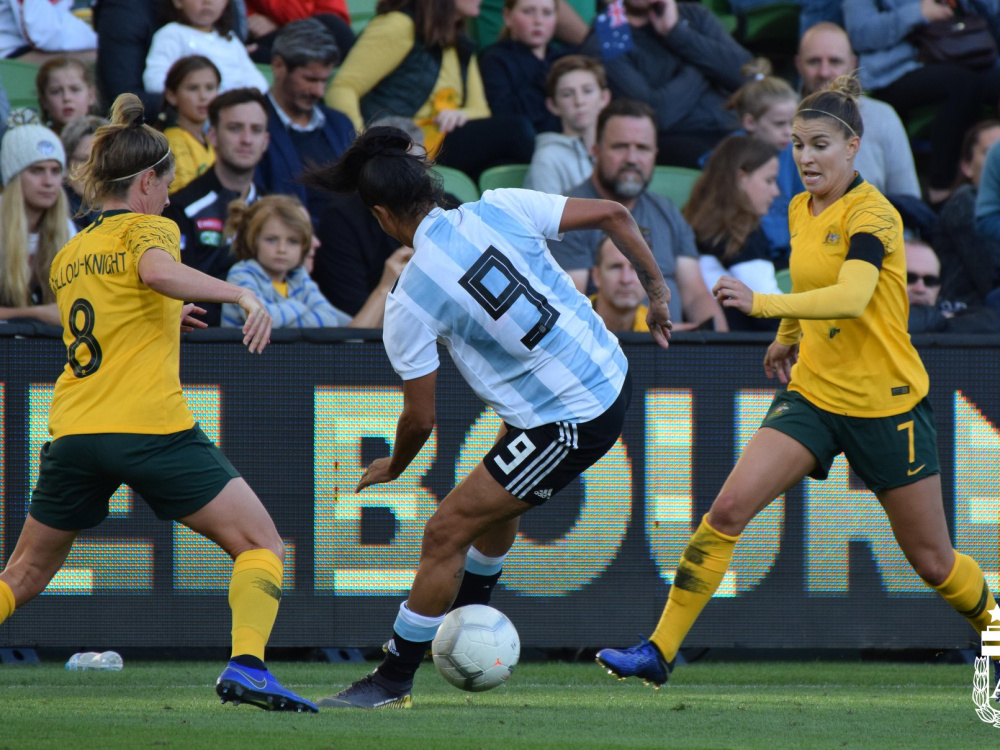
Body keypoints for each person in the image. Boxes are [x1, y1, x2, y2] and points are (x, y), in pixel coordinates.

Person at [594, 75, 1000, 691]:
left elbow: (854, 293)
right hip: (814, 391)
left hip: (885, 404)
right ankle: (659, 650)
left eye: (819, 146)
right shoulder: (799, 206)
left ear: (852, 148)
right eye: (797, 145)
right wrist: (786, 332)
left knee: (934, 561)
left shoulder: (875, 215)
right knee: (727, 510)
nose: (805, 158)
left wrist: (763, 303)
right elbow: (814, 286)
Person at [304, 124, 671, 708]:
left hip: (570, 417)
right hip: (607, 370)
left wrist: (395, 466)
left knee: (445, 530)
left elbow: (420, 420)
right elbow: (615, 216)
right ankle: (475, 611)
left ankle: (391, 679)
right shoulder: (500, 206)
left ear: (379, 215)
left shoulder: (411, 298)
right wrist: (656, 293)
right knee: (498, 483)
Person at [0, 92, 319, 714]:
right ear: (145, 180)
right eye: (166, 184)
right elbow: (152, 272)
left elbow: (115, 310)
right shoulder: (153, 229)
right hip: (148, 426)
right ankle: (248, 668)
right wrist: (241, 295)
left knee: (22, 576)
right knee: (262, 547)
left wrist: (169, 316)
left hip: (73, 430)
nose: (170, 197)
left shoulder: (69, 254)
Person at [549, 99, 728, 331]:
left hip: (673, 353)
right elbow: (570, 310)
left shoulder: (667, 211)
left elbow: (696, 296)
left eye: (642, 148)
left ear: (655, 154)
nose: (632, 159)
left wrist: (718, 349)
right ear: (595, 150)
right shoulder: (570, 213)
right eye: (620, 147)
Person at [325, 0, 534, 182]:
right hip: (401, 145)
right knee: (518, 131)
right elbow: (343, 88)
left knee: (504, 164)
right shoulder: (399, 25)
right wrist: (364, 146)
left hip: (440, 141)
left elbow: (480, 110)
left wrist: (460, 114)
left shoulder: (460, 41)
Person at [841, 2, 1000, 203]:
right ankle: (941, 190)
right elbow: (860, 34)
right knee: (963, 84)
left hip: (964, 55)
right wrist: (918, 12)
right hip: (896, 71)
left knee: (975, 81)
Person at [581, 0, 752, 169]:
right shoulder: (609, 31)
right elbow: (655, 114)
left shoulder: (694, 14)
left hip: (733, 125)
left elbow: (749, 75)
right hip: (679, 138)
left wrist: (677, 34)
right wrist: (705, 64)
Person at [165, 87, 271, 326]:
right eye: (235, 128)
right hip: (205, 343)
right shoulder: (180, 207)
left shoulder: (276, 210)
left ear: (266, 141)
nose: (246, 139)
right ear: (211, 136)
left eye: (256, 130)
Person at [222, 194, 403, 328]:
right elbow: (265, 319)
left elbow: (330, 319)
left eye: (292, 241)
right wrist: (302, 307)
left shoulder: (298, 277)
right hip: (244, 369)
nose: (282, 249)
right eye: (271, 239)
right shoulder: (241, 274)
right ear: (253, 240)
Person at [312, 115, 426, 317]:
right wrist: (388, 285)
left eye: (418, 169)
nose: (409, 180)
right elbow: (353, 325)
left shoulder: (448, 206)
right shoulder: (340, 219)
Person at [796, 22, 920, 202]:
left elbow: (908, 202)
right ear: (798, 64)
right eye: (813, 61)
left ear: (853, 64)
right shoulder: (780, 120)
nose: (824, 72)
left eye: (835, 61)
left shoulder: (883, 117)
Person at [257, 18, 354, 217]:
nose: (319, 92)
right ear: (278, 66)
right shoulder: (252, 126)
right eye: (310, 79)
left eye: (324, 81)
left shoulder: (341, 125)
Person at [685, 135, 782, 332]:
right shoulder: (740, 233)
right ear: (741, 178)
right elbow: (771, 310)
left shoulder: (698, 224)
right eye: (769, 181)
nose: (776, 192)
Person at [718, 58, 802, 269]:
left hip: (789, 255)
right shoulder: (729, 156)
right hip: (744, 253)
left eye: (793, 123)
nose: (788, 131)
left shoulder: (794, 154)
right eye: (779, 124)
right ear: (750, 122)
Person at [0, 111, 76, 327]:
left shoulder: (67, 228)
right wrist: (38, 314)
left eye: (55, 171)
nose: (49, 181)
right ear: (13, 177)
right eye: (37, 171)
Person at [523, 54, 610, 195]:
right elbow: (546, 216)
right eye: (567, 94)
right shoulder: (547, 158)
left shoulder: (614, 152)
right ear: (553, 105)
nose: (579, 101)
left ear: (604, 98)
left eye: (587, 91)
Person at [936, 121, 1000, 308]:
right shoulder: (964, 203)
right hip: (966, 322)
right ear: (967, 166)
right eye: (990, 153)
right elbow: (992, 275)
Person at [479, 0, 567, 135]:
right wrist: (545, 79)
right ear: (507, 17)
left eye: (547, 13)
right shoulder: (494, 60)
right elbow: (502, 117)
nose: (538, 21)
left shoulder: (565, 58)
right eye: (528, 11)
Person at [143, 0, 268, 95]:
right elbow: (155, 81)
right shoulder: (171, 34)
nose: (207, 2)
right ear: (178, 1)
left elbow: (258, 83)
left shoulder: (230, 39)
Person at [906, 237, 1000, 333]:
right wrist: (941, 319)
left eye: (930, 281)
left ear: (939, 288)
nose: (920, 289)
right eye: (909, 278)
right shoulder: (946, 316)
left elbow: (993, 322)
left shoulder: (950, 310)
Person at [159, 56, 222, 194]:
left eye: (210, 88)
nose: (203, 96)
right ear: (172, 96)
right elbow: (180, 198)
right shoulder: (172, 144)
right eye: (193, 88)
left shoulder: (209, 140)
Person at [244, 0, 355, 65]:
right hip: (263, 37)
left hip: (306, 35)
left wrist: (278, 25)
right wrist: (250, 16)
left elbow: (333, 19)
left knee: (333, 27)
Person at [0, 0, 96, 63]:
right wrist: (99, 40)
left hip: (26, 48)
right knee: (103, 58)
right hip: (8, 59)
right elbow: (42, 33)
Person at [590, 234, 650, 333]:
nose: (626, 279)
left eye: (637, 267)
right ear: (596, 276)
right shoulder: (568, 322)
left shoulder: (655, 330)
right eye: (616, 267)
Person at [61, 115, 108, 231]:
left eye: (102, 160)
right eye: (85, 160)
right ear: (66, 163)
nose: (94, 168)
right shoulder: (56, 213)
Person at [35, 57, 99, 136]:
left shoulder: (107, 138)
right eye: (56, 91)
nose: (66, 98)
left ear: (91, 95)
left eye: (75, 89)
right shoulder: (39, 138)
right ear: (44, 101)